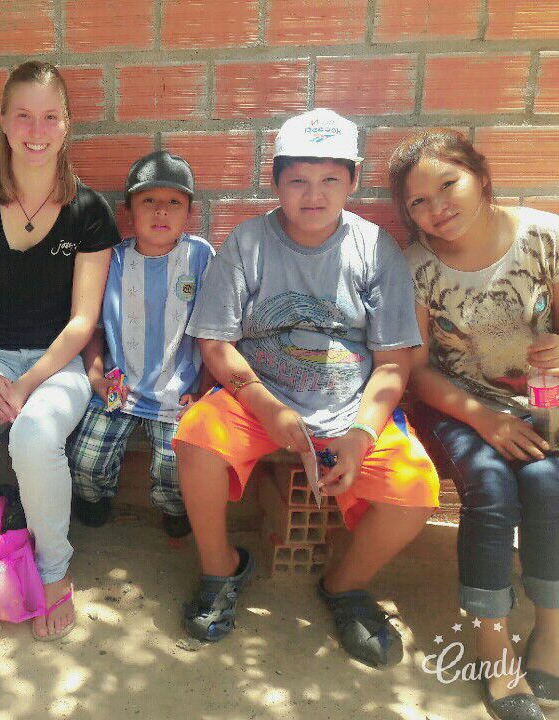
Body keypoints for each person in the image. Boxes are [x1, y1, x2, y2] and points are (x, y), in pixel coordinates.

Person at [172, 109, 439, 668]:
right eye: (297, 180)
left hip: (352, 409)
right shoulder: (248, 243)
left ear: (353, 179)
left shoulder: (376, 250)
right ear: (275, 182)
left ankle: (345, 585)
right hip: (258, 398)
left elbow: (393, 363)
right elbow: (215, 343)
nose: (313, 195)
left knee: (416, 491)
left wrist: (362, 434)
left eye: (329, 180)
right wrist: (264, 406)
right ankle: (221, 569)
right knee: (196, 440)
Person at [0, 60, 120, 640]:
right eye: (23, 116)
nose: (36, 131)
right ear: (2, 121)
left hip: (55, 363)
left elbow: (83, 321)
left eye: (49, 117)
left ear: (67, 124)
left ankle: (55, 573)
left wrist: (27, 382)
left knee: (35, 441)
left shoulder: (88, 212)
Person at [391, 129, 559, 720]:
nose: (437, 207)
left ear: (481, 178)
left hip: (542, 401)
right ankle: (494, 644)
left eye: (449, 184)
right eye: (418, 201)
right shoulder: (416, 266)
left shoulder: (545, 237)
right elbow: (417, 371)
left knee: (547, 484)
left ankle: (551, 630)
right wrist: (482, 418)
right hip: (457, 404)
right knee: (489, 489)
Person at [67, 150, 213, 538]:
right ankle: (94, 498)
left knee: (176, 466)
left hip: (178, 392)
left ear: (189, 212)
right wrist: (96, 377)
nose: (161, 211)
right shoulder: (112, 260)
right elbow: (94, 327)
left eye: (174, 202)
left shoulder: (200, 257)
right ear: (128, 211)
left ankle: (174, 509)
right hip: (119, 386)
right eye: (148, 200)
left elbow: (215, 331)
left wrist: (205, 392)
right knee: (85, 460)